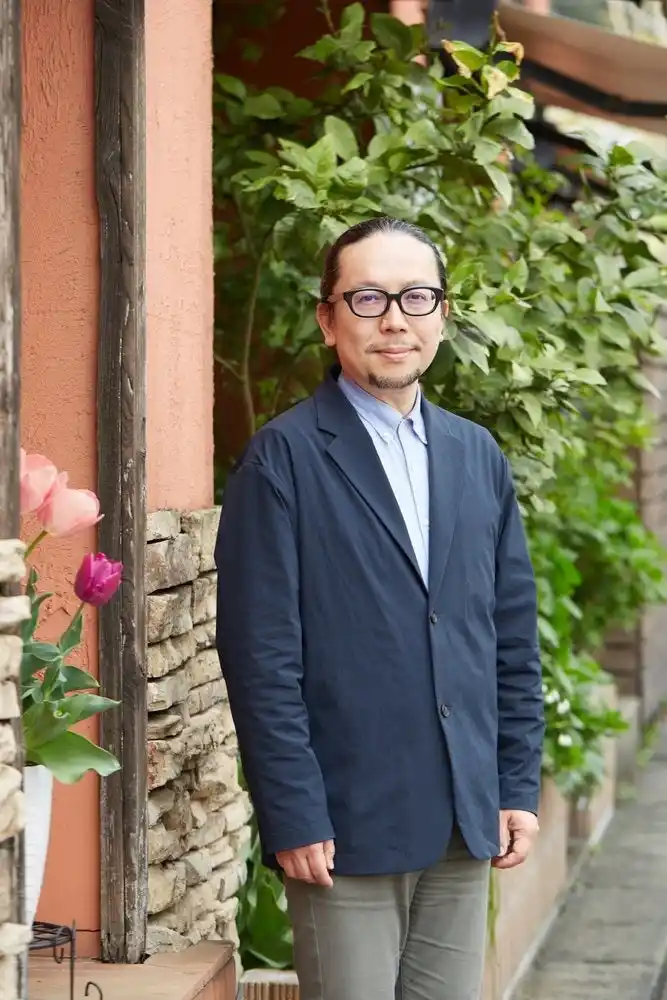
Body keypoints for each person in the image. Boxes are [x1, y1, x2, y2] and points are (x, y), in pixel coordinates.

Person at [215, 217, 545, 1000]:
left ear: (442, 316)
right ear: (328, 320)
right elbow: (261, 657)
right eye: (367, 298)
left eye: (415, 297)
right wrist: (293, 812)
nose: (394, 319)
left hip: (464, 819)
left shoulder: (476, 456)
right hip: (344, 826)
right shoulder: (283, 460)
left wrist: (514, 785)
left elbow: (509, 637)